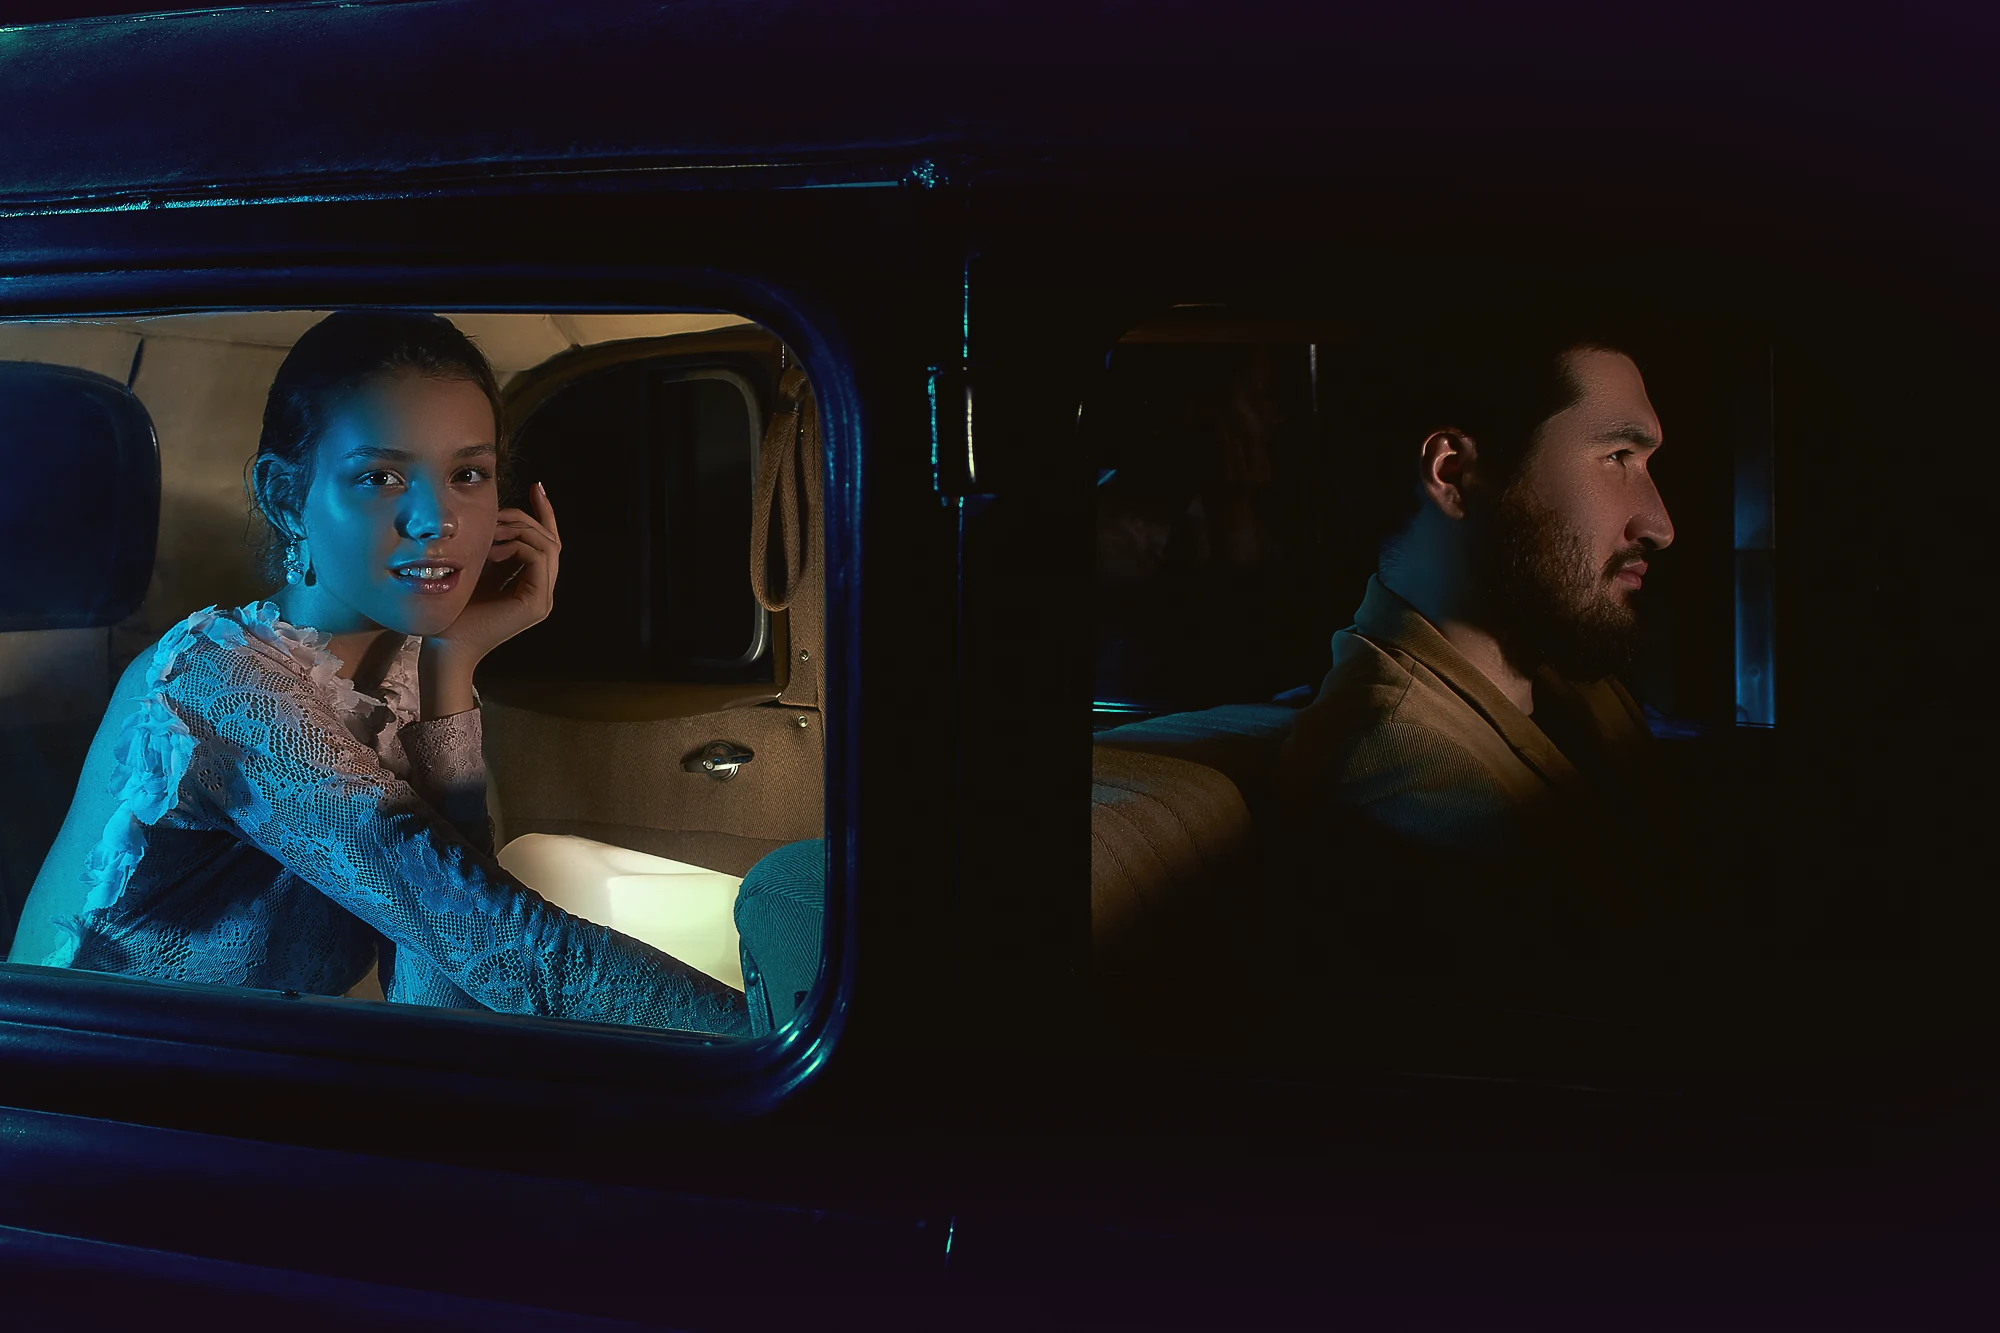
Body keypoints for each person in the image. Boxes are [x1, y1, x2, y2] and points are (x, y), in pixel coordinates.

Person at [8, 311, 748, 1035]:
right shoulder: (218, 685)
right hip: (99, 1108)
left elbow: (445, 997)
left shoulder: (398, 684)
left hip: (248, 1100)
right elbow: (503, 947)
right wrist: (783, 1047)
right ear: (284, 496)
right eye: (380, 476)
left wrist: (450, 665)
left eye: (469, 472)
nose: (438, 518)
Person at [1274, 324, 1696, 988]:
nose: (1660, 523)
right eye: (1617, 456)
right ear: (1453, 472)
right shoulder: (1406, 781)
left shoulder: (1560, 673)